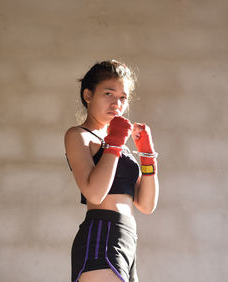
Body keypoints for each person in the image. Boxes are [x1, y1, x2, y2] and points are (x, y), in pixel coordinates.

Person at [64, 60, 159, 282]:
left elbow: (146, 204)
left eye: (123, 98)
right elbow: (95, 193)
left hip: (127, 237)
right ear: (88, 96)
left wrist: (147, 155)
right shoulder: (79, 136)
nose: (117, 103)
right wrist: (114, 142)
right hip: (101, 234)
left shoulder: (121, 147)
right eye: (109, 93)